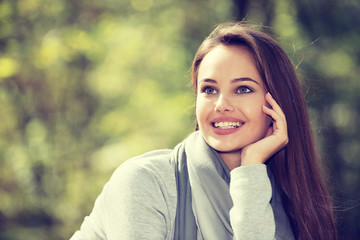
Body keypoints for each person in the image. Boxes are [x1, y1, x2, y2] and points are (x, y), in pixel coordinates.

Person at [71, 22, 337, 240]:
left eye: (243, 89)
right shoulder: (145, 183)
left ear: (276, 102)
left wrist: (251, 168)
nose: (221, 105)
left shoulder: (286, 202)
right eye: (209, 90)